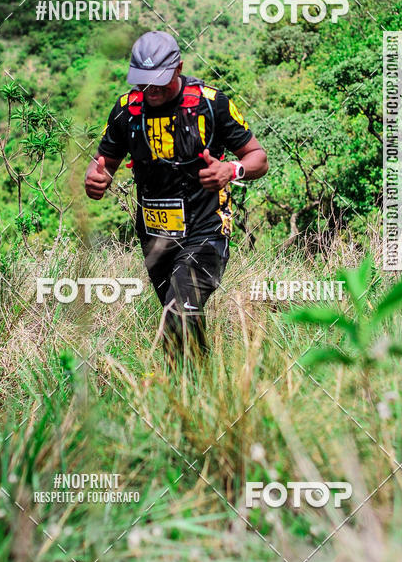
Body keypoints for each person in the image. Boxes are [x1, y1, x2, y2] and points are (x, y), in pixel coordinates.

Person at [84, 31, 268, 365]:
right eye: (143, 82)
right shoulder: (127, 110)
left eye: (159, 81)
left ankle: (179, 385)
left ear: (179, 68)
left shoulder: (211, 104)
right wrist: (96, 179)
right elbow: (103, 163)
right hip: (155, 237)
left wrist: (231, 170)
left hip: (206, 229)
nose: (151, 90)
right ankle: (200, 384)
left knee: (179, 310)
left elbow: (258, 158)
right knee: (182, 317)